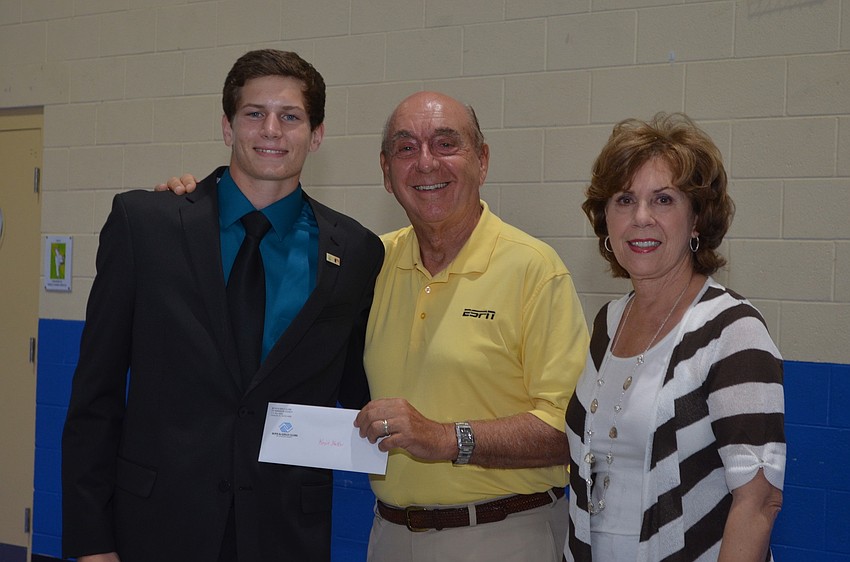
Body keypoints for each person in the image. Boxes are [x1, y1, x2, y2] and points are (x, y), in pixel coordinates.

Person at [160, 91, 590, 562]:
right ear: (386, 172)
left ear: (481, 161)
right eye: (406, 149)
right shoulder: (368, 263)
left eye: (446, 143)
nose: (425, 163)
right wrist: (197, 212)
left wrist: (446, 437)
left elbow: (570, 432)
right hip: (389, 534)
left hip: (502, 532)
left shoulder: (533, 269)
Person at [62, 49, 384, 562]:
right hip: (155, 526)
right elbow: (94, 397)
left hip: (284, 533)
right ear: (227, 127)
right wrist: (91, 542)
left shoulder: (357, 251)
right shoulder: (146, 224)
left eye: (291, 116)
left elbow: (359, 385)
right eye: (254, 113)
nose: (271, 130)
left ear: (316, 135)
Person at [565, 113, 785, 561]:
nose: (640, 218)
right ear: (605, 219)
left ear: (697, 219)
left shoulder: (732, 329)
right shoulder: (608, 322)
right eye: (624, 200)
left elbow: (759, 500)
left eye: (663, 200)